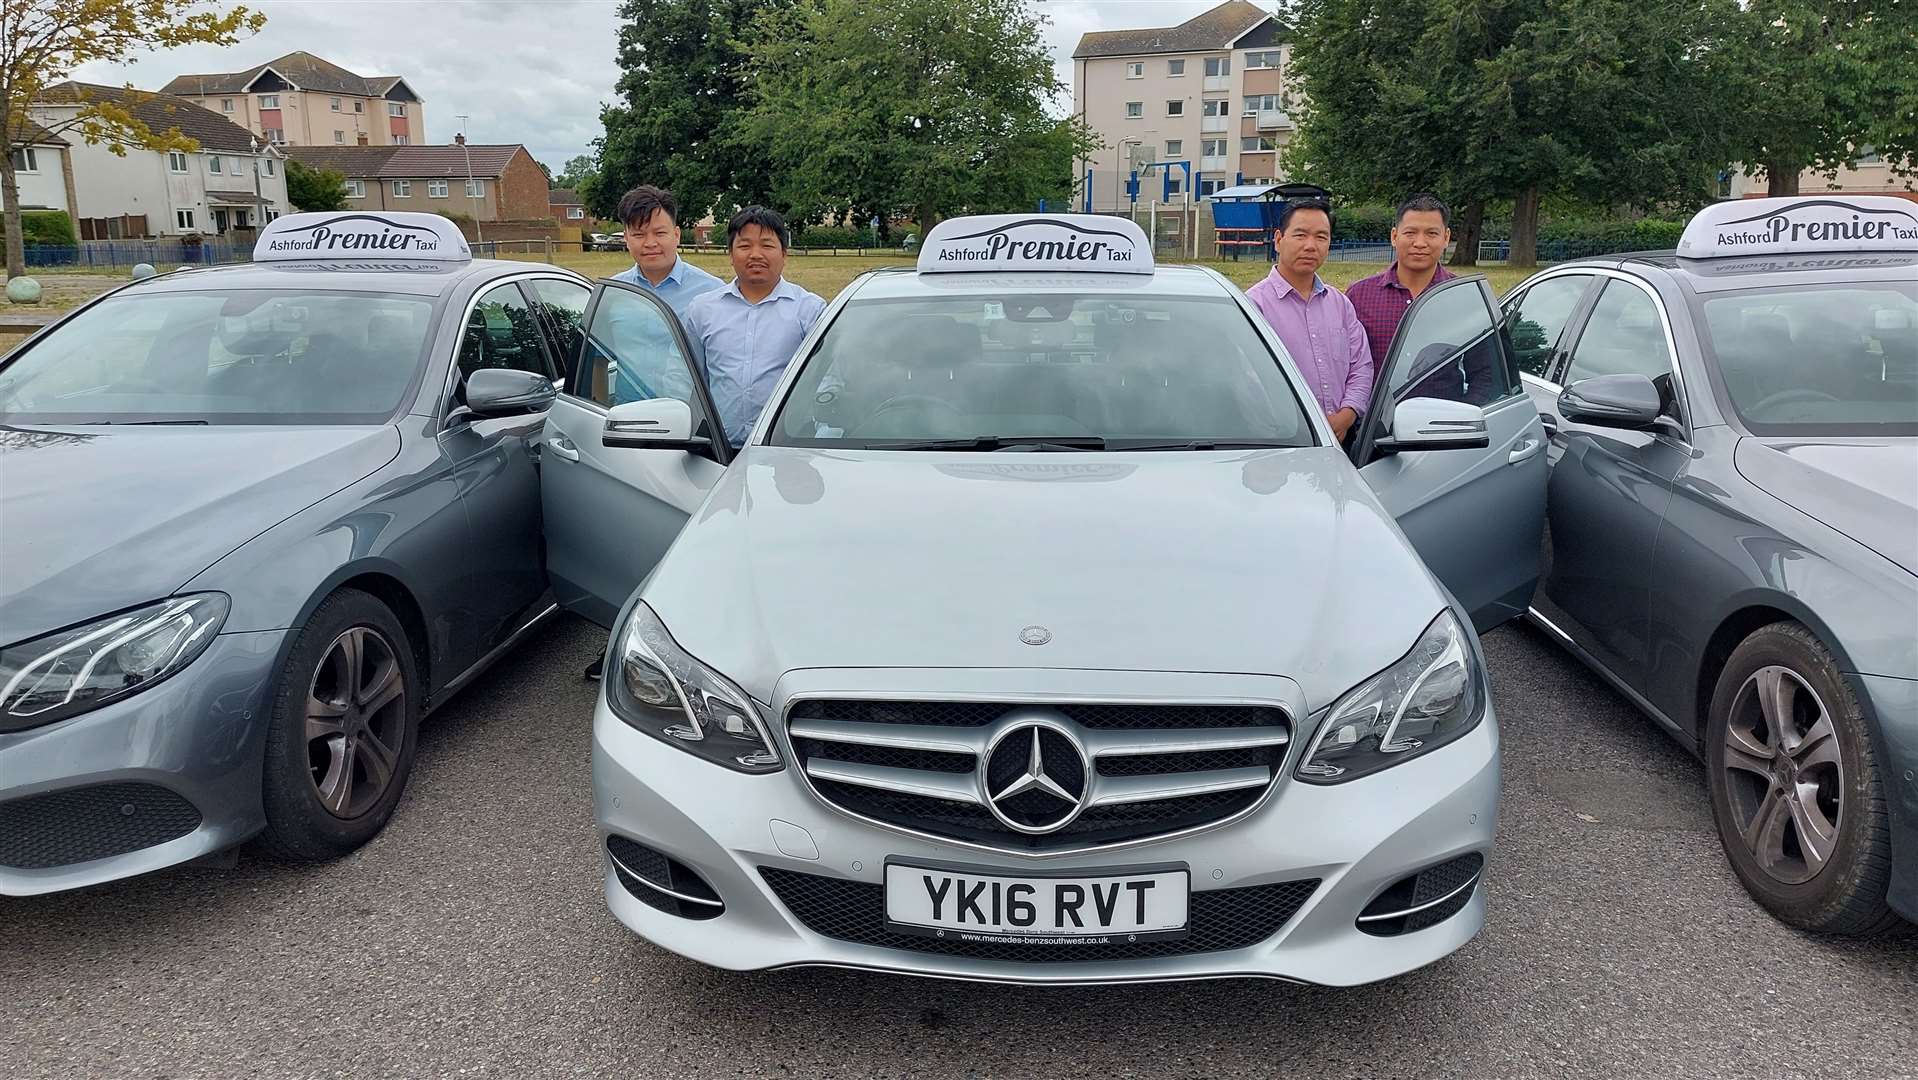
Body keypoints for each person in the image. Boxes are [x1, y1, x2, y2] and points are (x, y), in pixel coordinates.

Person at [680, 206, 827, 448]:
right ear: (730, 253)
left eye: (767, 245)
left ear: (784, 253)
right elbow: (692, 379)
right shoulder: (702, 310)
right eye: (745, 246)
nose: (755, 254)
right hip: (717, 447)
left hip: (785, 446)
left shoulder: (810, 311)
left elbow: (823, 379)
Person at [1243, 198, 1373, 443]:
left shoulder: (1340, 304)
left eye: (1321, 237)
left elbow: (1361, 366)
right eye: (1300, 235)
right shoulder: (1254, 306)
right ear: (1279, 240)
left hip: (1342, 438)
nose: (1310, 246)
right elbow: (1249, 380)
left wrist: (1347, 414)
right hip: (1283, 440)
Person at [604, 185, 723, 405]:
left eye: (660, 233)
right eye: (639, 234)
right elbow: (597, 361)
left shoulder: (713, 292)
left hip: (691, 423)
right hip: (627, 420)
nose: (650, 243)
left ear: (676, 235)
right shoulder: (612, 293)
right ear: (626, 238)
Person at [1345, 193, 1457, 382]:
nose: (1420, 243)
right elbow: (1344, 367)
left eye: (1431, 233)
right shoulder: (1359, 296)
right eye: (1410, 233)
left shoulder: (1461, 297)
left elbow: (1485, 373)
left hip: (1445, 411)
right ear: (1394, 236)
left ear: (1446, 238)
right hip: (1377, 410)